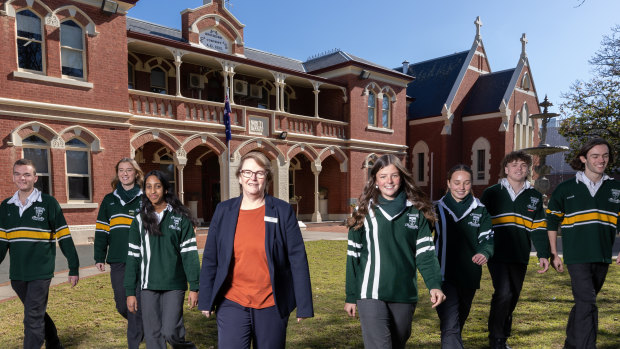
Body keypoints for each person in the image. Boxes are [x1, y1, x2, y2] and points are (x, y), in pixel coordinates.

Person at [198, 151, 313, 349]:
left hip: (271, 303)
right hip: (232, 301)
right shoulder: (223, 210)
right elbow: (211, 258)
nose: (253, 178)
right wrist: (206, 299)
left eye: (259, 173)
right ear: (240, 177)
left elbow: (297, 258)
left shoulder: (282, 211)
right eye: (247, 172)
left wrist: (304, 304)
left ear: (267, 177)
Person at [344, 154, 446, 349]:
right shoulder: (363, 211)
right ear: (375, 180)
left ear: (402, 178)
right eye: (383, 176)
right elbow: (353, 257)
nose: (388, 181)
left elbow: (425, 254)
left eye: (394, 176)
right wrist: (351, 296)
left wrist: (434, 285)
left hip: (404, 293)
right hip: (370, 293)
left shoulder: (416, 211)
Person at [546, 138, 620, 349]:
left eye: (605, 156)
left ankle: (571, 344)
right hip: (577, 256)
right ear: (583, 158)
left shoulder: (616, 188)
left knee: (584, 304)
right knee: (588, 303)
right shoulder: (565, 188)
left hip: (603, 255)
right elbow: (551, 221)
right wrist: (554, 253)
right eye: (595, 156)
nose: (601, 160)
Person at [0, 159, 80, 349]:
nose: (22, 178)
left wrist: (74, 266)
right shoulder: (5, 206)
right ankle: (54, 343)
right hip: (18, 274)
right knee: (35, 312)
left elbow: (64, 237)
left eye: (27, 174)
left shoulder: (48, 203)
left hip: (40, 272)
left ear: (35, 178)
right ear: (13, 177)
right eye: (18, 174)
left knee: (32, 318)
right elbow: (2, 242)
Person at [480, 151, 550, 349]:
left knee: (513, 295)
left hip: (520, 254)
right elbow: (480, 222)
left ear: (528, 169)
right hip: (497, 252)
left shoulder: (534, 196)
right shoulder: (492, 193)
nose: (518, 168)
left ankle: (502, 336)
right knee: (503, 293)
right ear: (506, 169)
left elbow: (538, 228)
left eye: (522, 165)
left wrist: (544, 254)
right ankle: (496, 339)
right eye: (514, 164)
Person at [124, 170, 200, 349]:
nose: (153, 191)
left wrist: (195, 287)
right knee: (153, 337)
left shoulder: (180, 218)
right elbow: (133, 257)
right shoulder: (139, 220)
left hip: (174, 285)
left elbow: (189, 255)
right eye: (149, 187)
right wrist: (130, 292)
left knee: (171, 331)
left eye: (157, 186)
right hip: (148, 286)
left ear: (165, 189)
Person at [434, 164, 494, 349]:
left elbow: (488, 239)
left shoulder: (480, 209)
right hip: (443, 276)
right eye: (457, 182)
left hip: (469, 276)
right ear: (448, 183)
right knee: (450, 324)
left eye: (466, 183)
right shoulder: (436, 209)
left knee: (458, 321)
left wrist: (484, 253)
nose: (461, 187)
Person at [94, 157, 144, 348]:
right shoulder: (109, 200)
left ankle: (134, 342)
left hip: (141, 259)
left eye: (129, 170)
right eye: (121, 170)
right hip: (118, 260)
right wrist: (99, 256)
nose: (125, 174)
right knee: (122, 305)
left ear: (136, 173)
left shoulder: (145, 198)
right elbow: (101, 231)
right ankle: (145, 325)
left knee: (135, 305)